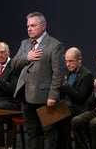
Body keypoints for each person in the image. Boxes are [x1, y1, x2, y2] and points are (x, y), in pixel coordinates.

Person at [12, 12, 66, 149]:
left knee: (48, 132)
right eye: (28, 26)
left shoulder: (55, 45)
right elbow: (14, 63)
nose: (29, 29)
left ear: (43, 26)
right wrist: (27, 57)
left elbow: (58, 73)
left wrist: (53, 95)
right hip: (25, 95)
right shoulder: (25, 44)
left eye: (33, 25)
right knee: (31, 132)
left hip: (45, 96)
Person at [57, 47, 94, 149]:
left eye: (71, 61)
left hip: (78, 109)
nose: (68, 64)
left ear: (79, 60)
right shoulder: (67, 72)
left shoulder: (87, 75)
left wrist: (66, 86)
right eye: (66, 61)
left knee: (53, 120)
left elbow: (80, 98)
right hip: (64, 107)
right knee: (44, 117)